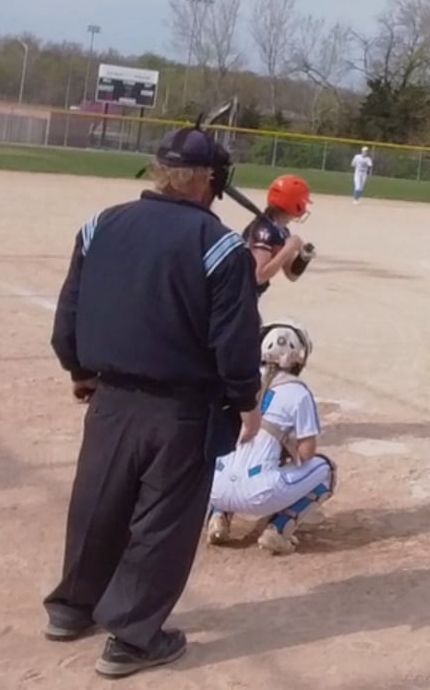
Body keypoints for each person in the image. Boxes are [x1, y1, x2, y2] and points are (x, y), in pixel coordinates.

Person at [42, 124, 264, 678]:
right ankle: (133, 638)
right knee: (163, 520)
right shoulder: (220, 246)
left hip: (111, 397)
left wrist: (78, 369)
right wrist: (245, 399)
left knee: (98, 503)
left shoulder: (101, 225)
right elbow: (233, 339)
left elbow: (70, 311)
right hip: (182, 408)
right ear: (210, 180)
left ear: (159, 170)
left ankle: (72, 607)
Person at [208, 323, 335, 554]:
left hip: (213, 487)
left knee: (226, 454)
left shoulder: (238, 380)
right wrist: (286, 448)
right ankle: (278, 529)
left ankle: (217, 515)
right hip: (260, 493)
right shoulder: (298, 392)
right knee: (327, 470)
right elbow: (306, 453)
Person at [246, 174, 312, 295]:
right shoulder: (264, 231)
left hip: (248, 296)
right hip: (237, 296)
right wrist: (289, 248)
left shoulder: (281, 231)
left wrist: (303, 258)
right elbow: (258, 277)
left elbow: (291, 275)